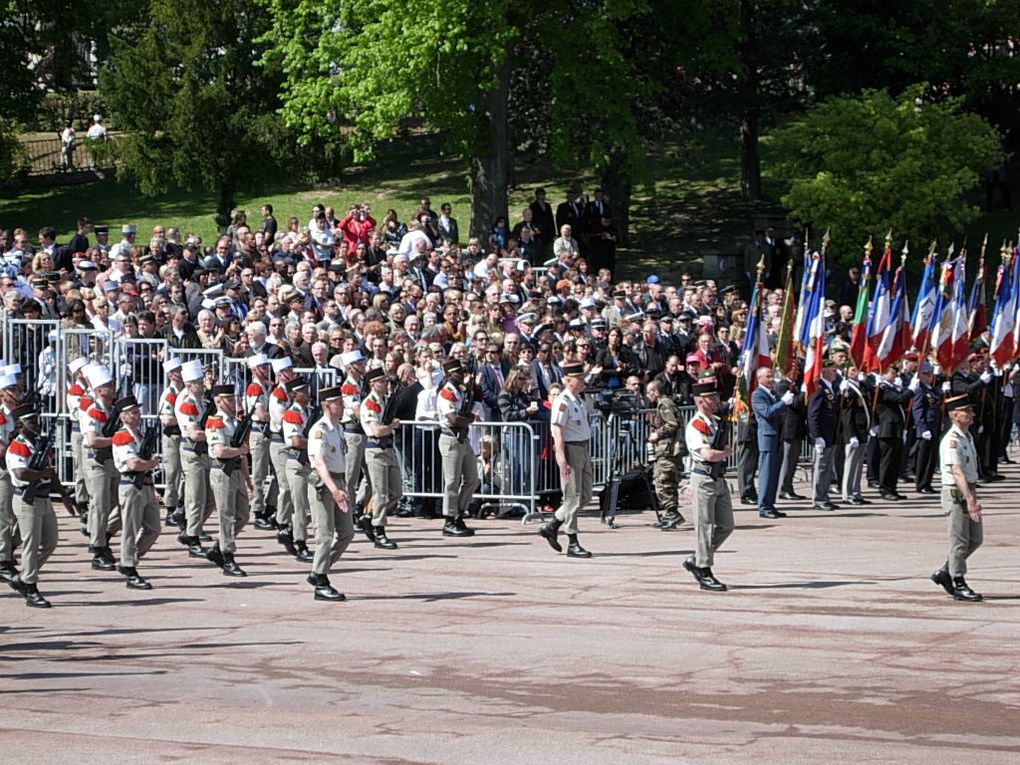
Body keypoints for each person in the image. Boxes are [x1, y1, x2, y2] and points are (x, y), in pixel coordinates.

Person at [5, 402, 74, 607]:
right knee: (31, 544)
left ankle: (23, 577)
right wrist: (40, 474)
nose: (36, 424)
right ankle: (30, 586)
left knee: (51, 542)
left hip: (44, 498)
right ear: (19, 425)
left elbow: (50, 472)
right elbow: (20, 473)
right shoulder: (18, 446)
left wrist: (63, 495)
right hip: (27, 498)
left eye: (36, 420)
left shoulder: (40, 444)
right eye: (30, 421)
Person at [681, 377, 733, 591]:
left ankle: (698, 558)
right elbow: (708, 454)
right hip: (703, 478)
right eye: (711, 398)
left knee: (727, 526)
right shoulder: (697, 425)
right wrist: (725, 453)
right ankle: (704, 570)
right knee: (704, 527)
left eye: (716, 397)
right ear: (700, 401)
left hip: (718, 478)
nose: (715, 401)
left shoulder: (715, 422)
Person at [930, 395, 984, 602]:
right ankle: (959, 582)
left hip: (968, 488)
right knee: (959, 541)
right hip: (956, 492)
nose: (971, 415)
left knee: (976, 539)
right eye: (967, 412)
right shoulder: (951, 440)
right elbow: (957, 471)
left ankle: (945, 570)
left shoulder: (966, 436)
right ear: (955, 416)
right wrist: (969, 498)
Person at [537, 362, 593, 558]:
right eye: (579, 378)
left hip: (582, 448)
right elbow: (557, 431)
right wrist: (562, 460)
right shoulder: (563, 401)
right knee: (572, 497)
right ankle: (572, 541)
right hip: (571, 450)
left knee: (585, 495)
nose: (583, 381)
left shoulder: (577, 399)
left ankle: (552, 526)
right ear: (569, 380)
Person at [304, 384, 352, 602]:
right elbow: (319, 462)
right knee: (324, 534)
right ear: (326, 405)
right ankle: (321, 582)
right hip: (324, 483)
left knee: (347, 532)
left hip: (339, 480)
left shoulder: (338, 428)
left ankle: (318, 571)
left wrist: (342, 487)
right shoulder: (319, 430)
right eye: (338, 403)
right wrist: (334, 490)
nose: (342, 406)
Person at [111, 395, 161, 590]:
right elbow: (133, 463)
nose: (138, 415)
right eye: (133, 412)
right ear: (123, 417)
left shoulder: (139, 435)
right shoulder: (122, 436)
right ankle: (129, 567)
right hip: (131, 484)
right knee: (130, 530)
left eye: (138, 412)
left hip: (146, 484)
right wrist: (151, 463)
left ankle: (130, 559)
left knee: (154, 528)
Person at [204, 383, 253, 577]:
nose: (234, 403)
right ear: (218, 401)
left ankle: (218, 547)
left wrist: (247, 479)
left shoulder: (233, 421)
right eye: (229, 399)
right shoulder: (215, 422)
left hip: (236, 473)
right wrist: (240, 451)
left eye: (234, 399)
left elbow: (241, 454)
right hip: (222, 472)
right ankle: (227, 556)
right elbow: (220, 451)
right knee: (226, 516)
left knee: (243, 515)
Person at [81, 363, 122, 570]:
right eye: (109, 385)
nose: (113, 387)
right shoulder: (94, 411)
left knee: (124, 504)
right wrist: (115, 439)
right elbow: (92, 440)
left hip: (111, 461)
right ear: (98, 390)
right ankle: (98, 548)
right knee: (100, 505)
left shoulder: (112, 409)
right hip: (97, 462)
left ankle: (104, 535)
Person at [173, 360, 215, 557]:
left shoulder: (204, 403)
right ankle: (193, 537)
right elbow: (195, 434)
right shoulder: (187, 405)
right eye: (198, 381)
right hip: (192, 452)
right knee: (196, 497)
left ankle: (192, 527)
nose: (202, 384)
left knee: (210, 498)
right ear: (189, 384)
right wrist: (215, 435)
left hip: (204, 452)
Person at [436, 359, 479, 537]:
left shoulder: (460, 391)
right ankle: (449, 519)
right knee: (452, 481)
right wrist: (470, 418)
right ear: (450, 374)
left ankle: (459, 512)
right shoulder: (446, 393)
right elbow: (454, 418)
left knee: (472, 478)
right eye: (459, 373)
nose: (463, 375)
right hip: (451, 436)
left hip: (462, 437)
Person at [360, 366, 401, 549]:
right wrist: (392, 426)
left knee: (396, 492)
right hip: (376, 449)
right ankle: (379, 530)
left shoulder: (385, 400)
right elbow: (377, 430)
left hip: (388, 449)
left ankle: (369, 517)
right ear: (373, 384)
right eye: (383, 381)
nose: (386, 384)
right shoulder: (370, 404)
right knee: (381, 493)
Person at [751, 367, 796, 519]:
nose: (771, 380)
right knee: (766, 473)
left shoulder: (773, 393)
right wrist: (783, 402)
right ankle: (763, 506)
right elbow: (768, 412)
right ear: (760, 378)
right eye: (768, 377)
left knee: (774, 474)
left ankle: (770, 503)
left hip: (777, 436)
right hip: (767, 437)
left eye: (772, 376)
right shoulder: (757, 394)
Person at [281, 378, 314, 562]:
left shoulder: (308, 411)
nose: (307, 392)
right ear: (294, 395)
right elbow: (296, 442)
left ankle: (290, 532)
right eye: (303, 390)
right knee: (301, 508)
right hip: (297, 463)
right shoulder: (292, 414)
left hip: (307, 463)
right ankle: (300, 543)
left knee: (309, 508)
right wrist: (316, 443)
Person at [647, 379, 685, 531]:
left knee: (662, 481)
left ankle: (672, 512)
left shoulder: (664, 404)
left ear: (656, 392)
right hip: (669, 449)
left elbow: (672, 424)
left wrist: (657, 434)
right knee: (669, 481)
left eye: (649, 392)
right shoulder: (665, 403)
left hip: (668, 449)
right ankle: (670, 514)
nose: (648, 396)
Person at [806, 360, 841, 510]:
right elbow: (813, 415)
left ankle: (824, 496)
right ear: (824, 371)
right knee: (821, 468)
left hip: (830, 435)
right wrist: (816, 436)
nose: (836, 373)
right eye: (833, 370)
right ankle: (818, 499)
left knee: (827, 468)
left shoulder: (830, 388)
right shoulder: (819, 389)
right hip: (822, 436)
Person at [157, 356, 185, 526]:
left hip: (181, 434)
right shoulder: (170, 394)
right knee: (172, 471)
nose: (179, 374)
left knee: (182, 473)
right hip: (172, 435)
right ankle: (170, 508)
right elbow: (166, 419)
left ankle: (179, 506)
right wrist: (184, 420)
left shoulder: (182, 391)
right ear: (170, 375)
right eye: (176, 371)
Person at [912, 362, 942, 494]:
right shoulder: (920, 389)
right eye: (927, 374)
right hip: (926, 428)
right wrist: (922, 428)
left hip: (934, 426)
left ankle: (927, 482)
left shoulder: (931, 389)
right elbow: (918, 410)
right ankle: (921, 483)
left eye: (931, 374)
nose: (930, 376)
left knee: (931, 457)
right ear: (920, 375)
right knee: (924, 458)